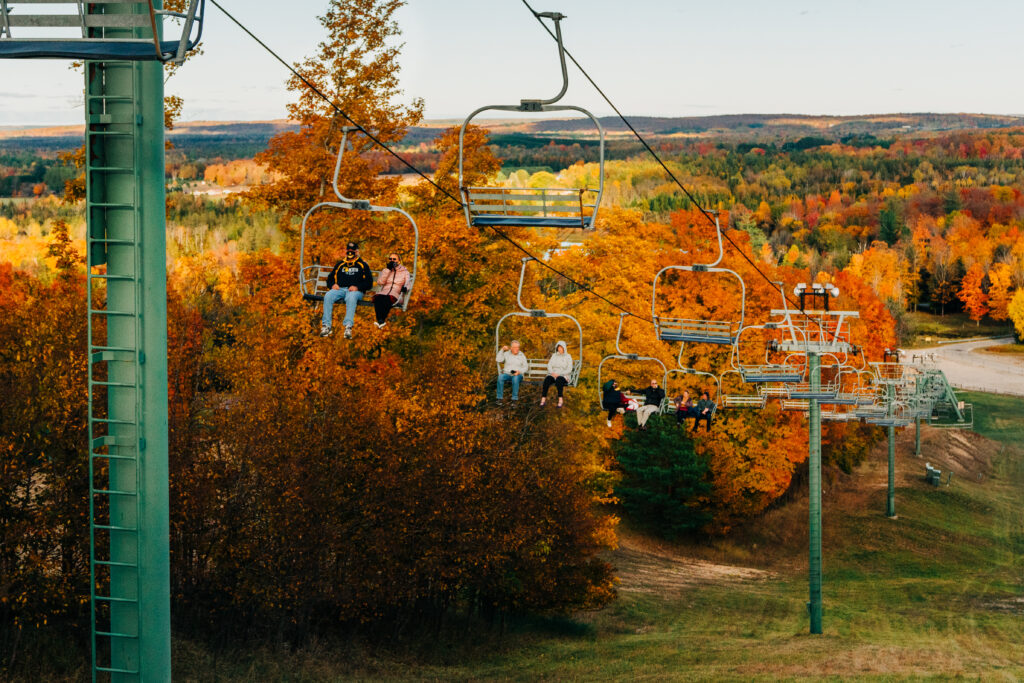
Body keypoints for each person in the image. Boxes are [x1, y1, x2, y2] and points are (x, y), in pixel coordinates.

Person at [321, 241, 373, 339]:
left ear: (357, 252)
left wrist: (357, 287)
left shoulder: (362, 265)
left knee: (351, 297)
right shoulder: (340, 264)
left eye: (352, 251)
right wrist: (332, 285)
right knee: (328, 295)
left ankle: (348, 326)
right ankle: (326, 326)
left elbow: (369, 283)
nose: (350, 253)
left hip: (355, 291)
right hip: (340, 289)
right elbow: (330, 278)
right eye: (348, 250)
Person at [372, 252, 410, 329]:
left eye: (394, 259)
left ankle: (381, 319)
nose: (392, 261)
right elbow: (380, 282)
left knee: (387, 299)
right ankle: (380, 320)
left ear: (399, 261)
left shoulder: (405, 272)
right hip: (385, 290)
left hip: (396, 292)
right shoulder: (386, 270)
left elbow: (408, 282)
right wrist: (388, 270)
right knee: (378, 298)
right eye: (390, 259)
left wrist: (405, 288)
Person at [540, 340, 573, 408]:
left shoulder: (568, 356)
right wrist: (552, 372)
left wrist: (560, 374)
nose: (559, 349)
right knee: (547, 379)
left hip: (563, 375)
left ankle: (560, 400)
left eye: (561, 347)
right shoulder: (554, 356)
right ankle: (543, 399)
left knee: (559, 380)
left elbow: (569, 369)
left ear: (564, 348)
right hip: (554, 374)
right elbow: (549, 365)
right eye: (558, 347)